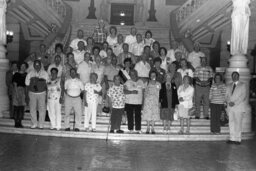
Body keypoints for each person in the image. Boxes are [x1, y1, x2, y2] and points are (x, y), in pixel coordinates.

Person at [25, 60, 49, 129]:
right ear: (33, 66)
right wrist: (27, 96)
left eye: (38, 65)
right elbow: (27, 85)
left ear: (41, 66)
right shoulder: (30, 73)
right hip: (32, 94)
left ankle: (41, 124)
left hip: (42, 93)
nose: (37, 66)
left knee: (42, 109)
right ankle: (34, 124)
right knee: (32, 109)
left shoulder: (45, 73)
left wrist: (47, 95)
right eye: (36, 65)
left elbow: (47, 85)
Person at [225, 72, 247, 145]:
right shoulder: (228, 85)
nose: (234, 77)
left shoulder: (242, 85)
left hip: (238, 107)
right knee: (231, 123)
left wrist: (234, 103)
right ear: (231, 77)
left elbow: (243, 96)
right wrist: (229, 102)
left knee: (238, 123)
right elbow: (226, 96)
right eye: (233, 75)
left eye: (236, 75)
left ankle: (238, 139)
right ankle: (232, 138)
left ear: (238, 76)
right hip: (230, 107)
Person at [160, 62, 182, 133]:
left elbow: (175, 94)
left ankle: (168, 127)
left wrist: (176, 103)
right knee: (164, 114)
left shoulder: (173, 85)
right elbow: (160, 94)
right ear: (165, 77)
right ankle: (164, 127)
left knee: (170, 114)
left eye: (169, 77)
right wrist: (159, 101)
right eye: (167, 77)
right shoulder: (162, 85)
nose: (168, 78)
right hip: (164, 101)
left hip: (171, 102)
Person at [12, 62, 28, 128]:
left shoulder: (26, 74)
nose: (23, 67)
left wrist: (26, 94)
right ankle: (16, 122)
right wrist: (17, 94)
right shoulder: (16, 74)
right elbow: (15, 84)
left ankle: (20, 122)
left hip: (24, 91)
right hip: (17, 90)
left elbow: (27, 84)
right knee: (16, 107)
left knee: (22, 108)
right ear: (19, 67)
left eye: (24, 66)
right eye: (22, 66)